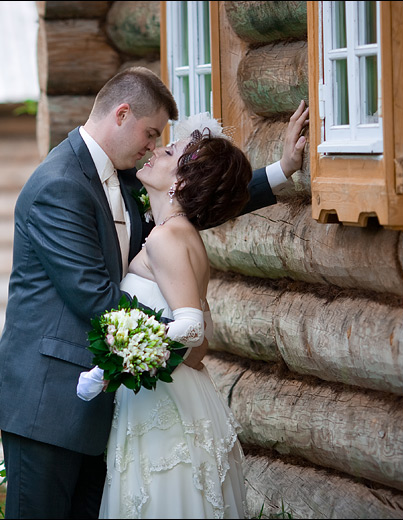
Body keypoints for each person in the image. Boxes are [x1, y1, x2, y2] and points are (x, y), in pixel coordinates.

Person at [0, 66, 308, 519]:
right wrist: (182, 339)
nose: (154, 147)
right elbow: (95, 298)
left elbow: (188, 203)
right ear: (121, 114)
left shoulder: (129, 177)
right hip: (49, 403)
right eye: (151, 132)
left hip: (108, 406)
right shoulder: (58, 185)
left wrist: (280, 171)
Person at [77, 115, 254, 518]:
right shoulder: (180, 234)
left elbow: (191, 327)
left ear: (183, 182)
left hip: (164, 410)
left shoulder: (167, 238)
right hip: (176, 396)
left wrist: (117, 363)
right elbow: (199, 339)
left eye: (169, 151)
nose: (156, 150)